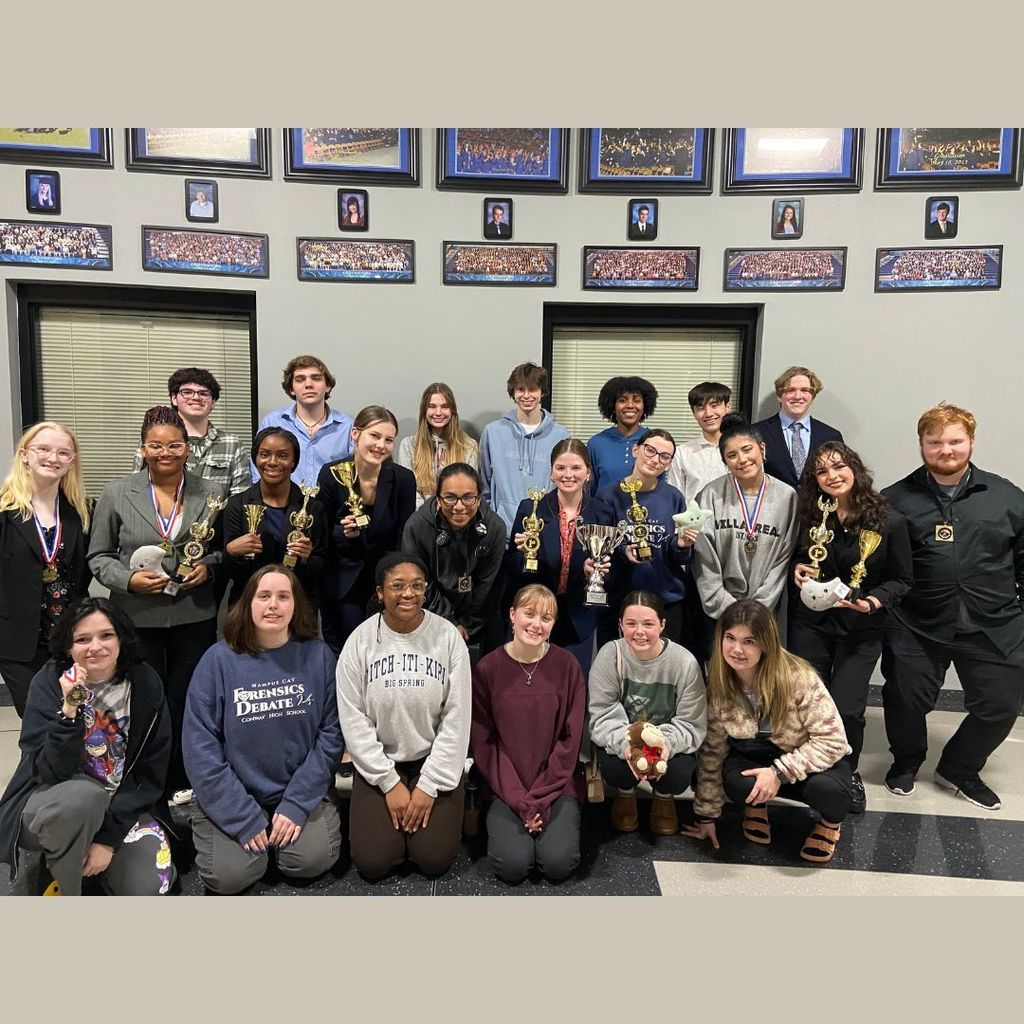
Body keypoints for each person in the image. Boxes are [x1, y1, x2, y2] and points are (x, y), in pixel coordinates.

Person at [879, 403, 1024, 810]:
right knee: (905, 699)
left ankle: (959, 768)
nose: (946, 449)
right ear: (922, 444)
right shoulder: (894, 500)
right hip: (917, 623)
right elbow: (879, 563)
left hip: (993, 623)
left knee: (1000, 706)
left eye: (955, 441)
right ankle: (906, 761)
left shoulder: (1006, 497)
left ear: (971, 442)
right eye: (936, 442)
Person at [88, 405, 223, 805]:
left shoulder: (212, 493)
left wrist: (208, 569)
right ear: (143, 448)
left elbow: (220, 550)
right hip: (136, 615)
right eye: (156, 445)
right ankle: (144, 779)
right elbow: (98, 556)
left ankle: (185, 775)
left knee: (188, 699)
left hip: (193, 613)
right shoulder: (116, 492)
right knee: (143, 698)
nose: (166, 453)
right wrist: (127, 580)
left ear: (188, 448)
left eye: (175, 445)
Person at [183, 565, 342, 894]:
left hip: (295, 790)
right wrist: (241, 817)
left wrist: (297, 804)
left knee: (309, 861)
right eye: (264, 596)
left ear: (296, 605)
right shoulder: (217, 660)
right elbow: (200, 747)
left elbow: (331, 735)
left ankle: (280, 832)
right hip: (237, 792)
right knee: (230, 877)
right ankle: (250, 831)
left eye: (283, 597)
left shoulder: (319, 655)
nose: (273, 605)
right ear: (248, 603)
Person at [0, 597, 174, 895]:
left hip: (122, 806)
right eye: (82, 639)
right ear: (69, 647)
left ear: (121, 640)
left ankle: (72, 857)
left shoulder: (145, 682)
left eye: (106, 635)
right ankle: (68, 877)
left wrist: (107, 840)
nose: (96, 647)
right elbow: (50, 772)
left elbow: (150, 772)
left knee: (148, 888)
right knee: (85, 797)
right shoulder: (48, 682)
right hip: (58, 802)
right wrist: (70, 709)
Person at [790, 442, 913, 813]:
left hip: (861, 628)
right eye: (822, 471)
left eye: (839, 466)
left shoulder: (889, 521)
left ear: (855, 468)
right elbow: (800, 558)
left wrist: (872, 601)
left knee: (846, 707)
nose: (832, 476)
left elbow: (902, 579)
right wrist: (799, 569)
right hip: (812, 623)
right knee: (806, 702)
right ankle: (807, 769)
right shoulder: (812, 516)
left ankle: (846, 773)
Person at [683, 599, 854, 864]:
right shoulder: (719, 683)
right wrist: (707, 815)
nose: (737, 649)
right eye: (730, 638)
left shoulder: (799, 676)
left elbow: (833, 742)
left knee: (830, 792)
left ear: (766, 643)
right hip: (755, 755)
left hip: (808, 761)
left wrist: (778, 773)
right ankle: (756, 805)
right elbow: (712, 751)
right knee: (737, 781)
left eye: (749, 641)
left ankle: (830, 825)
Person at [337, 553, 471, 881]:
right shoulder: (359, 641)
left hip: (434, 760)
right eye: (397, 586)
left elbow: (457, 718)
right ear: (380, 593)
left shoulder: (448, 637)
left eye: (417, 586)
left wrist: (429, 785)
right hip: (381, 762)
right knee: (373, 862)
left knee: (433, 859)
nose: (408, 593)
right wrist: (389, 782)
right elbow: (353, 720)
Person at [471, 584, 586, 884]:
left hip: (556, 786)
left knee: (558, 864)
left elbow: (569, 742)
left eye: (546, 618)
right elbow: (486, 744)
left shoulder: (568, 667)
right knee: (512, 867)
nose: (536, 624)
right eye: (529, 614)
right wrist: (520, 801)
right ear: (512, 615)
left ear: (553, 624)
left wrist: (539, 799)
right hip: (505, 787)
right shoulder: (487, 669)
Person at [589, 591, 707, 835]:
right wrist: (627, 745)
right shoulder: (610, 655)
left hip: (665, 740)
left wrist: (664, 744)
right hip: (625, 739)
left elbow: (691, 723)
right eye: (631, 624)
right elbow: (602, 715)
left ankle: (663, 797)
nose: (639, 632)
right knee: (616, 769)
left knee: (678, 774)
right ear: (620, 625)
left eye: (648, 624)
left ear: (662, 625)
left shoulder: (684, 662)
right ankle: (625, 793)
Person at [0, 422, 92, 718]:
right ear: (24, 455)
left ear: (72, 461)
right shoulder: (4, 511)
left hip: (70, 637)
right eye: (43, 449)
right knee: (40, 719)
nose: (53, 458)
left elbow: (84, 573)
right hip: (18, 641)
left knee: (76, 717)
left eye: (63, 452)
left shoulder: (82, 512)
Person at [505, 439, 613, 674]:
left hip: (579, 618)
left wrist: (592, 571)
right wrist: (524, 554)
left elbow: (612, 570)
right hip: (536, 615)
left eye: (576, 468)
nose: (568, 475)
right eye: (561, 468)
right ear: (552, 472)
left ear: (588, 473)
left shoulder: (602, 513)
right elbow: (511, 568)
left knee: (572, 682)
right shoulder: (531, 508)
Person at [317, 406, 416, 654]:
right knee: (348, 652)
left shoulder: (403, 479)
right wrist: (343, 534)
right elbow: (321, 533)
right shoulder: (330, 475)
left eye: (389, 440)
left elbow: (401, 538)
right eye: (375, 435)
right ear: (355, 434)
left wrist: (393, 583)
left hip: (384, 584)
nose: (381, 445)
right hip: (341, 582)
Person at [691, 414, 800, 621]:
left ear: (762, 449)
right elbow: (704, 557)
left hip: (765, 611)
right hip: (717, 612)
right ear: (725, 462)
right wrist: (725, 607)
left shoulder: (787, 497)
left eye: (747, 449)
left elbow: (783, 559)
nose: (742, 459)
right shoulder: (711, 495)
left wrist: (758, 610)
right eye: (732, 455)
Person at [597, 428, 696, 647]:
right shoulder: (607, 496)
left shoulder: (673, 497)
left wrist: (681, 545)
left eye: (664, 456)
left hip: (666, 598)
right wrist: (624, 550)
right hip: (620, 598)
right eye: (650, 450)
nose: (655, 459)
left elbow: (679, 556)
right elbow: (600, 548)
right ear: (636, 450)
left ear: (669, 464)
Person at [402, 462, 507, 654]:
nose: (459, 507)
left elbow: (487, 586)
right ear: (438, 498)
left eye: (468, 497)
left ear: (479, 498)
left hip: (478, 617)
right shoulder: (417, 527)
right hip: (428, 612)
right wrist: (449, 623)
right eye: (450, 497)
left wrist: (466, 626)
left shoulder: (494, 528)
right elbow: (420, 583)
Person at [223, 426, 327, 608]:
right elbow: (229, 571)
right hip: (248, 604)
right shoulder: (236, 505)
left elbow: (322, 565)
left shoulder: (312, 507)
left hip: (297, 604)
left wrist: (305, 559)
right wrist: (232, 553)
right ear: (255, 458)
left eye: (283, 456)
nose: (272, 462)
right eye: (264, 454)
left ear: (294, 461)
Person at [479, 361, 570, 534]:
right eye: (521, 389)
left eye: (533, 389)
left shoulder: (561, 435)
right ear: (513, 392)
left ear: (542, 392)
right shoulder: (493, 432)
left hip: (546, 530)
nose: (526, 395)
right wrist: (492, 521)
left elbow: (565, 485)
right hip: (502, 531)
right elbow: (484, 485)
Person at [132, 368, 250, 500]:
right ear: (174, 398)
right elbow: (137, 488)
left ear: (213, 402)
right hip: (163, 512)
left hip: (217, 513)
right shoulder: (153, 442)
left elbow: (240, 496)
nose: (196, 397)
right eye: (187, 392)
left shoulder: (232, 444)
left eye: (204, 393)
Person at [254, 355, 354, 488]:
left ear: (328, 386)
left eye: (316, 378)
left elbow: (355, 473)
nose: (308, 385)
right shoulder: (273, 422)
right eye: (300, 379)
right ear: (291, 389)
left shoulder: (347, 426)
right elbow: (258, 469)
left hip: (332, 500)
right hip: (285, 500)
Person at [753, 366, 844, 490]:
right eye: (791, 390)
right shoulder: (756, 433)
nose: (797, 396)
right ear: (779, 396)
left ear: (813, 397)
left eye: (805, 390)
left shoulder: (830, 436)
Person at [396, 382, 479, 508]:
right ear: (424, 410)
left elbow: (470, 491)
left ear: (452, 410)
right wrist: (427, 514)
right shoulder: (408, 445)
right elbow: (409, 492)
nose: (438, 412)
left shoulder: (469, 446)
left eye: (444, 406)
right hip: (420, 516)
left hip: (457, 513)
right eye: (432, 406)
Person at [587, 375, 658, 494]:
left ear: (645, 406)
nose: (630, 405)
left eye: (636, 400)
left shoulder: (654, 441)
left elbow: (661, 488)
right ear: (613, 406)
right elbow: (590, 489)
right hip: (603, 506)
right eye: (622, 400)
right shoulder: (596, 443)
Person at [667, 381, 732, 503]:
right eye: (701, 408)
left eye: (714, 406)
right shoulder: (682, 453)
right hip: (693, 515)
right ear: (694, 413)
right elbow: (675, 498)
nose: (708, 413)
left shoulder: (741, 450)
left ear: (727, 407)